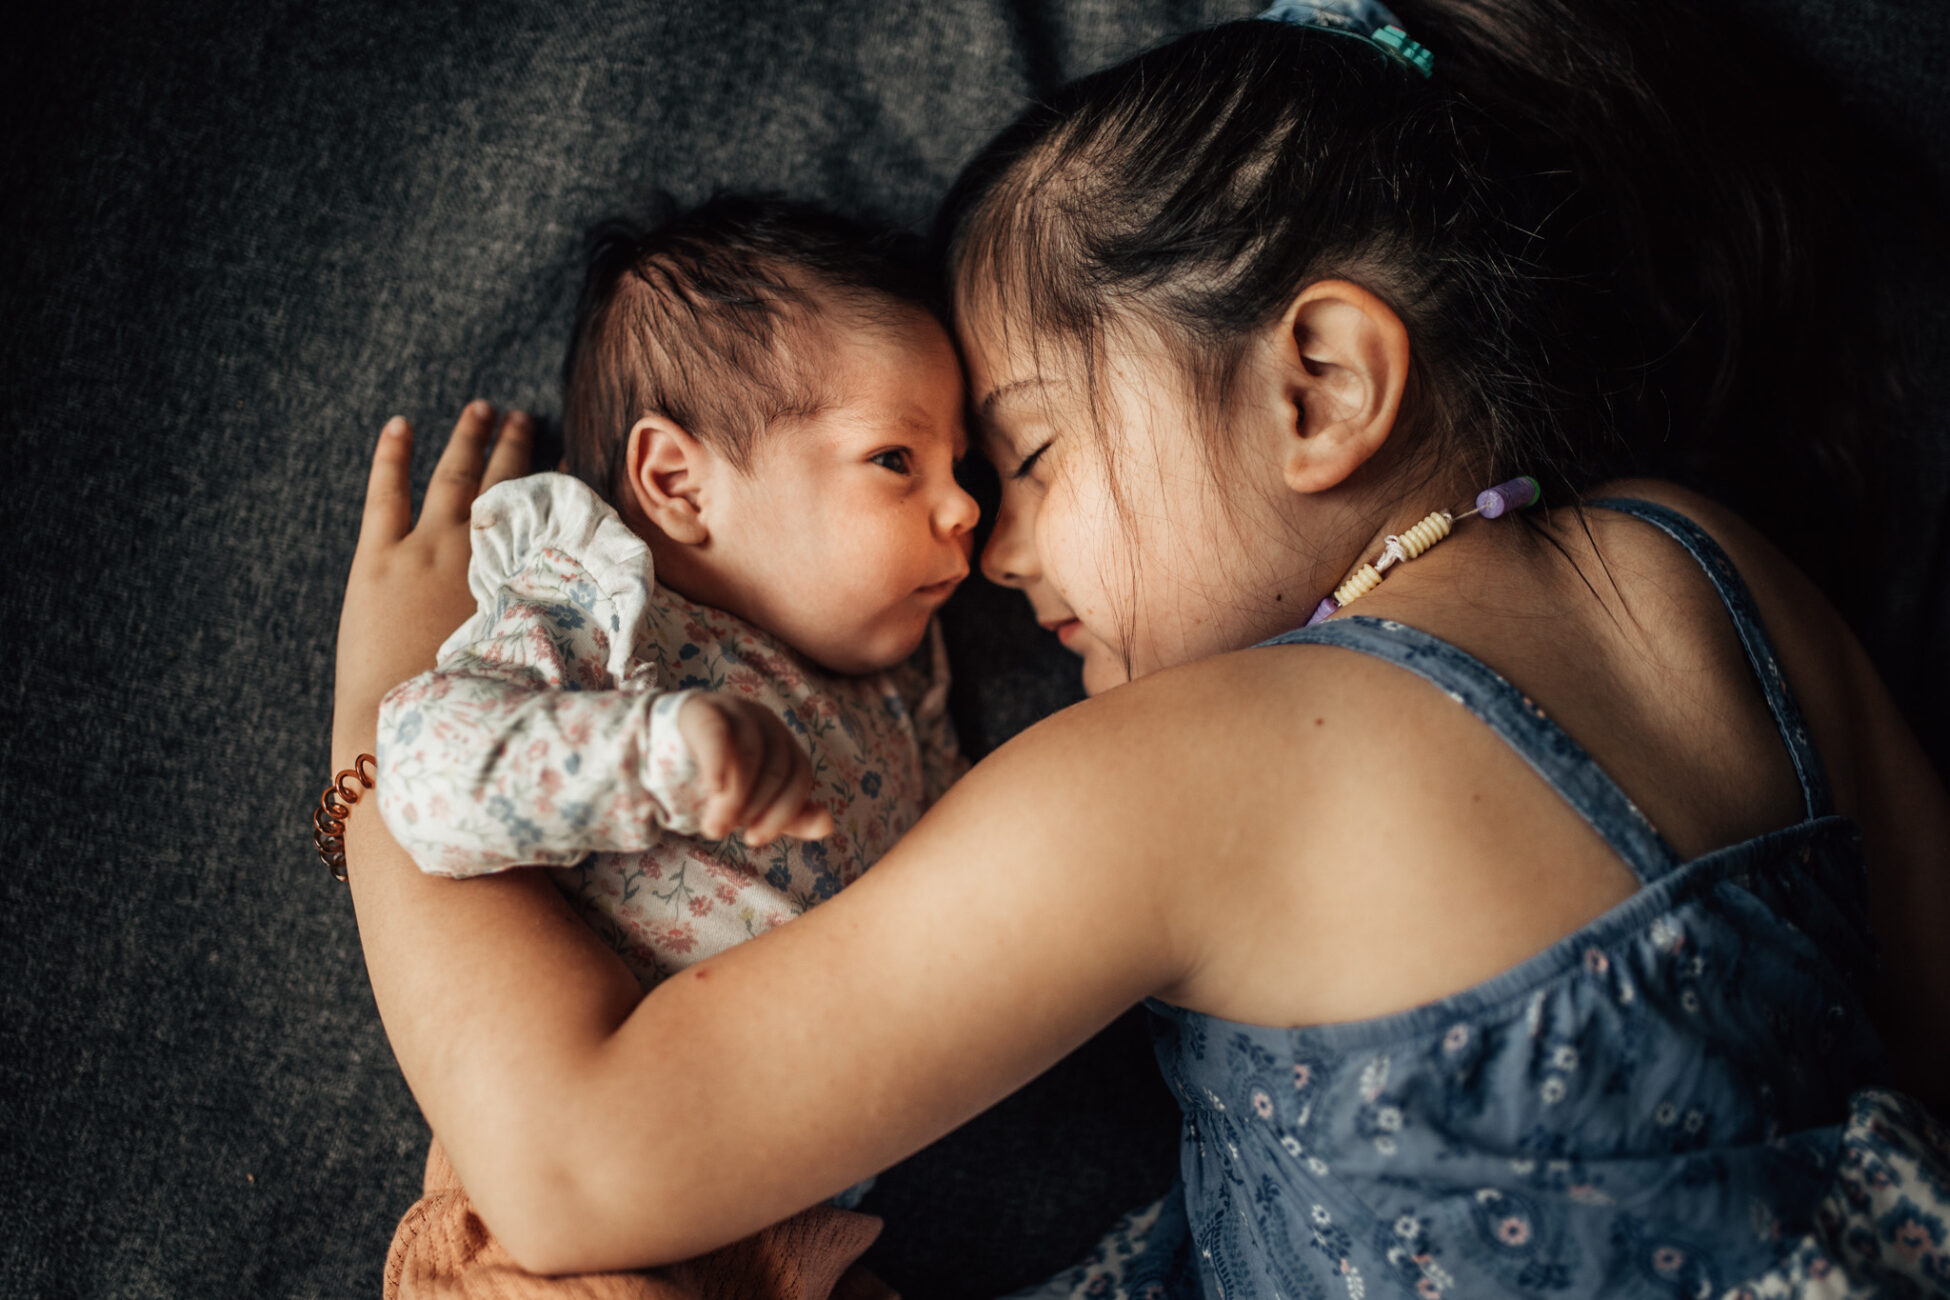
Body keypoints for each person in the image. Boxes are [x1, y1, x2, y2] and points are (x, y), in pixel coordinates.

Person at [329, 1, 1950, 1295]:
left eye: (1028, 456)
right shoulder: (1711, 567)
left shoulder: (1204, 765)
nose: (991, 545)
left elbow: (573, 1165)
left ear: (1316, 385)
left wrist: (383, 738)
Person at [368, 196, 977, 1298]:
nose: (964, 507)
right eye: (898, 459)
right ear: (679, 482)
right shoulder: (603, 613)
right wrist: (647, 753)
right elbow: (418, 764)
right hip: (555, 1235)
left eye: (961, 465)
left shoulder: (898, 698)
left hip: (797, 1238)